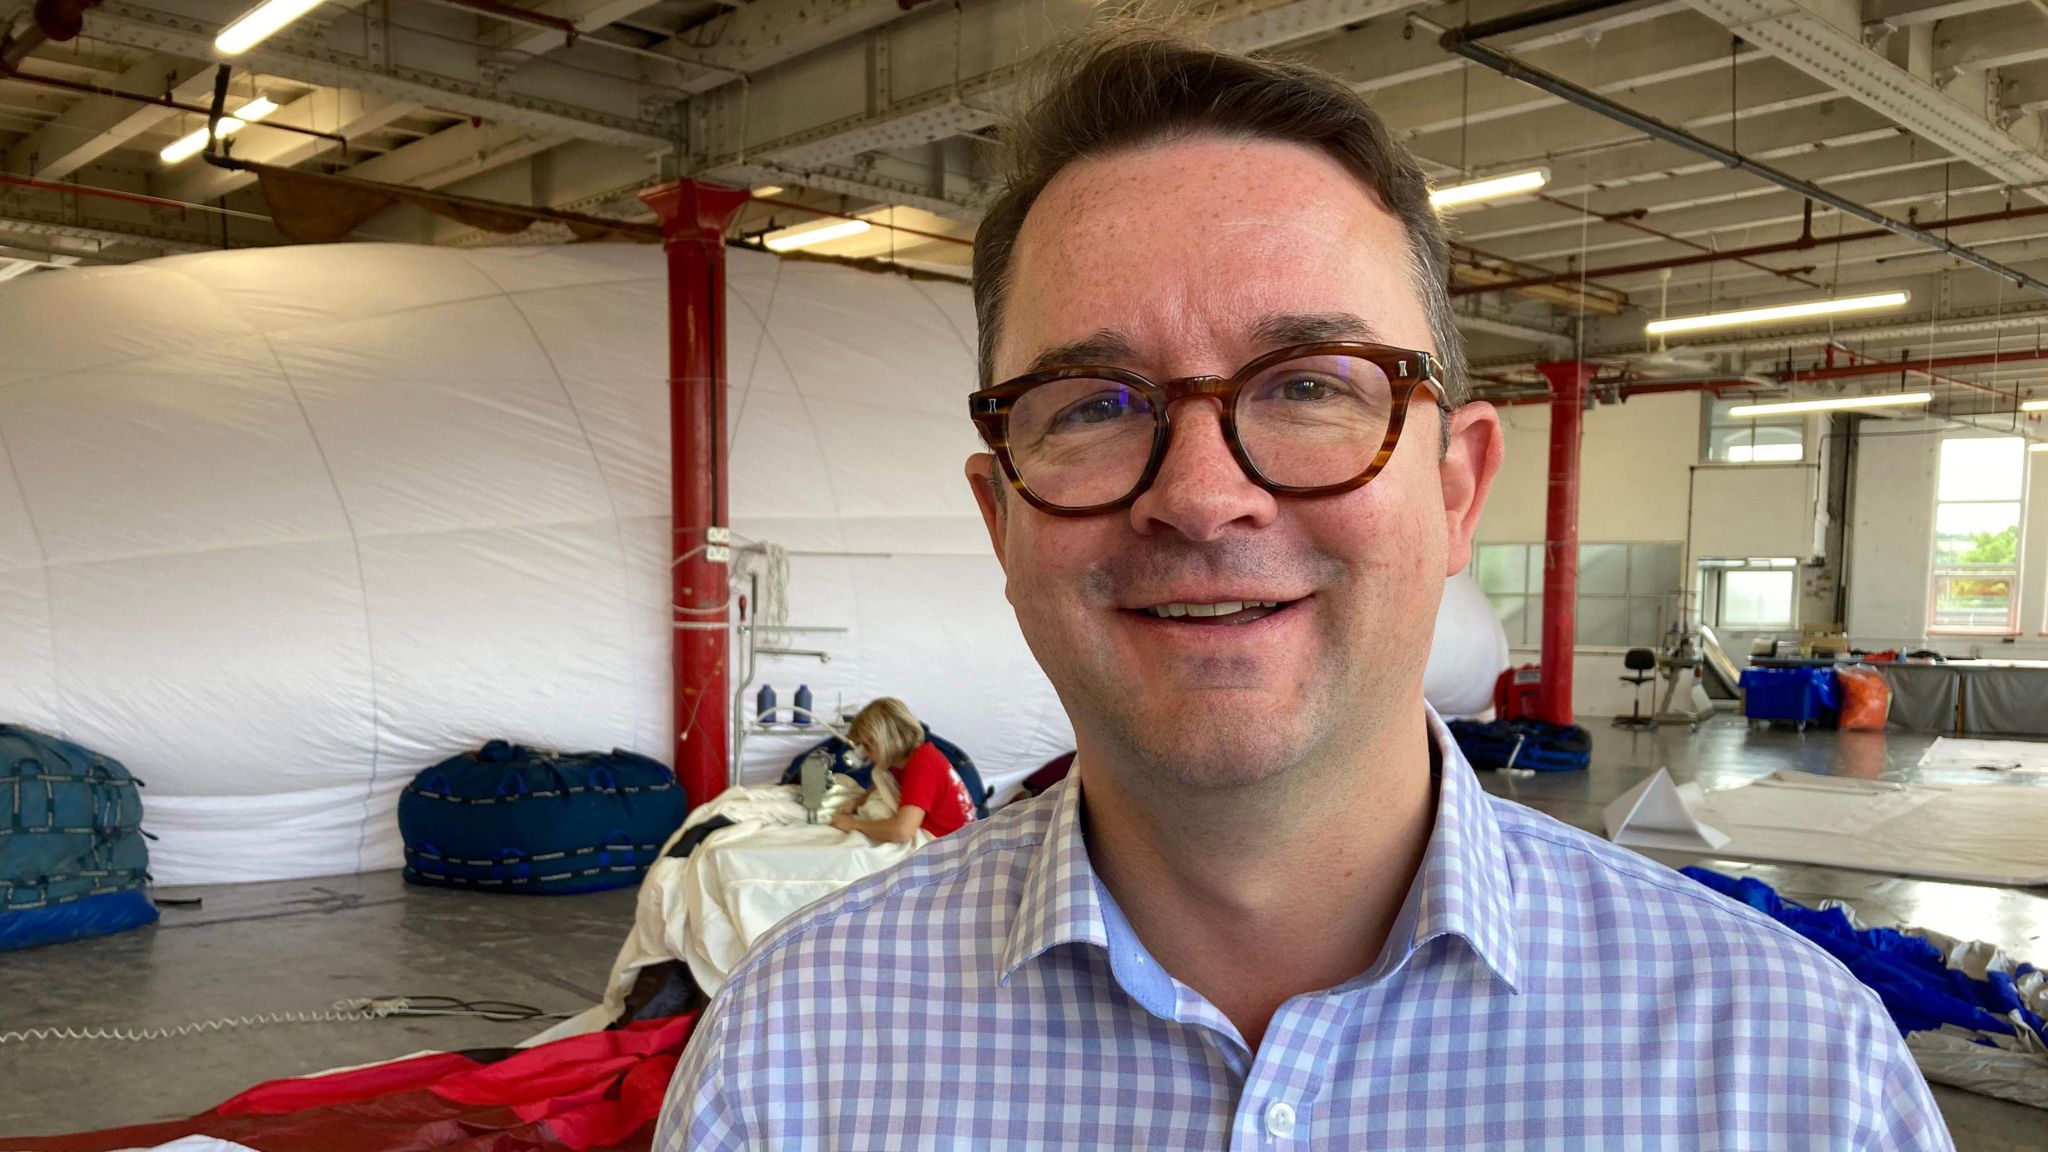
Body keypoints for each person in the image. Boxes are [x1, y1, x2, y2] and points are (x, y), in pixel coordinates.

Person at [659, 25, 1950, 1148]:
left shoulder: (1795, 1082)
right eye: (1096, 405)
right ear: (1002, 520)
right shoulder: (791, 1070)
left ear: (1456, 490)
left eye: (1311, 386)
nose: (1204, 495)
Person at [827, 696, 976, 843]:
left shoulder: (922, 766)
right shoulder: (908, 759)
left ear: (891, 739)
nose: (865, 754)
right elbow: (886, 783)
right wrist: (857, 801)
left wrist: (854, 825)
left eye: (868, 746)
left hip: (949, 844)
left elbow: (902, 831)